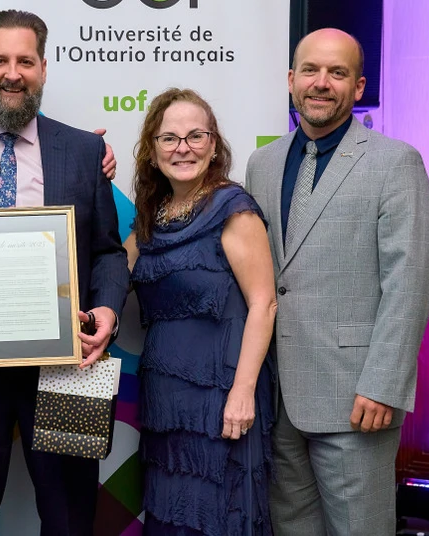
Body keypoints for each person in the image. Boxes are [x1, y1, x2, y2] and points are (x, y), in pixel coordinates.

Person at [0, 9, 130, 536]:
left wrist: (106, 310)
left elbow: (107, 251)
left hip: (69, 366)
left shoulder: (83, 150)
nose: (12, 74)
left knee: (70, 519)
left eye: (25, 61)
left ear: (43, 68)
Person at [245, 28, 429, 535]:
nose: (321, 83)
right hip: (278, 396)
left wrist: (383, 385)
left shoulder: (395, 162)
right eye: (310, 70)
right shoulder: (263, 164)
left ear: (358, 86)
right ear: (291, 79)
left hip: (357, 399)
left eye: (338, 72)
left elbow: (409, 283)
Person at [124, 88, 277, 535]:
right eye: (169, 138)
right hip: (166, 400)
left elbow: (264, 303)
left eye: (196, 136)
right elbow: (115, 275)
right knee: (172, 516)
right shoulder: (153, 216)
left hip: (222, 396)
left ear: (213, 146)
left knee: (220, 514)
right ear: (153, 152)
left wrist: (243, 391)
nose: (183, 148)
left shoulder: (233, 208)